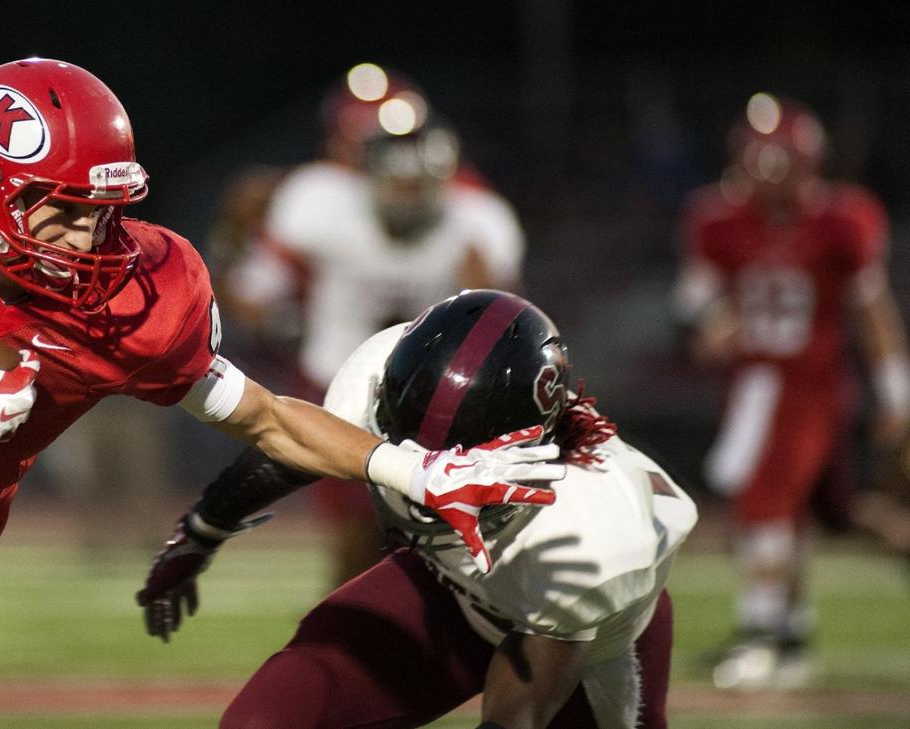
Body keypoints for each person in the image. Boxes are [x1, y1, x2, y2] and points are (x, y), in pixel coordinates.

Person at [0, 59, 562, 728]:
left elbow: (267, 417)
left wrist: (414, 471)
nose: (94, 240)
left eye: (106, 210)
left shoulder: (131, 299)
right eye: (67, 210)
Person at [138, 290, 699, 729]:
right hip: (443, 586)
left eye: (455, 461)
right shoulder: (375, 377)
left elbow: (518, 713)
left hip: (584, 642)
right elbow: (300, 449)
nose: (426, 474)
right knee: (267, 718)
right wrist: (203, 528)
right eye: (410, 448)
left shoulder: (586, 535)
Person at [217, 62, 528, 585]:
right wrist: (236, 244)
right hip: (343, 389)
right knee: (358, 541)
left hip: (439, 400)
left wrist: (485, 296)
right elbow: (254, 298)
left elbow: (508, 327)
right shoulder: (317, 199)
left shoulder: (475, 217)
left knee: (452, 552)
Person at [672, 92, 910, 690]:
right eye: (760, 161)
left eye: (779, 162)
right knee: (833, 515)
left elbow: (872, 311)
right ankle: (792, 637)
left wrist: (896, 394)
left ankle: (763, 636)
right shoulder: (718, 219)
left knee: (767, 505)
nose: (768, 175)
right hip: (754, 389)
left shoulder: (843, 219)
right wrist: (710, 323)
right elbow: (692, 298)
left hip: (814, 389)